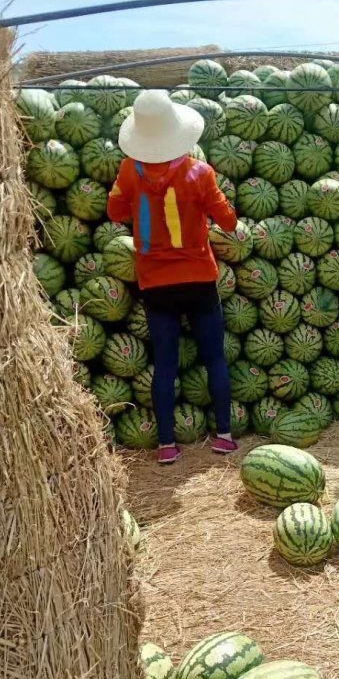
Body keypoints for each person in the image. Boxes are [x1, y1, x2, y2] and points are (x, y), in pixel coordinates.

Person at [108, 90, 238, 464]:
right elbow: (227, 220)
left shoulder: (128, 172)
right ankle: (225, 437)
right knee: (214, 357)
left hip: (155, 283)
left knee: (165, 363)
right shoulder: (199, 172)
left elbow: (115, 213)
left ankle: (166, 445)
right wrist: (222, 210)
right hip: (198, 278)